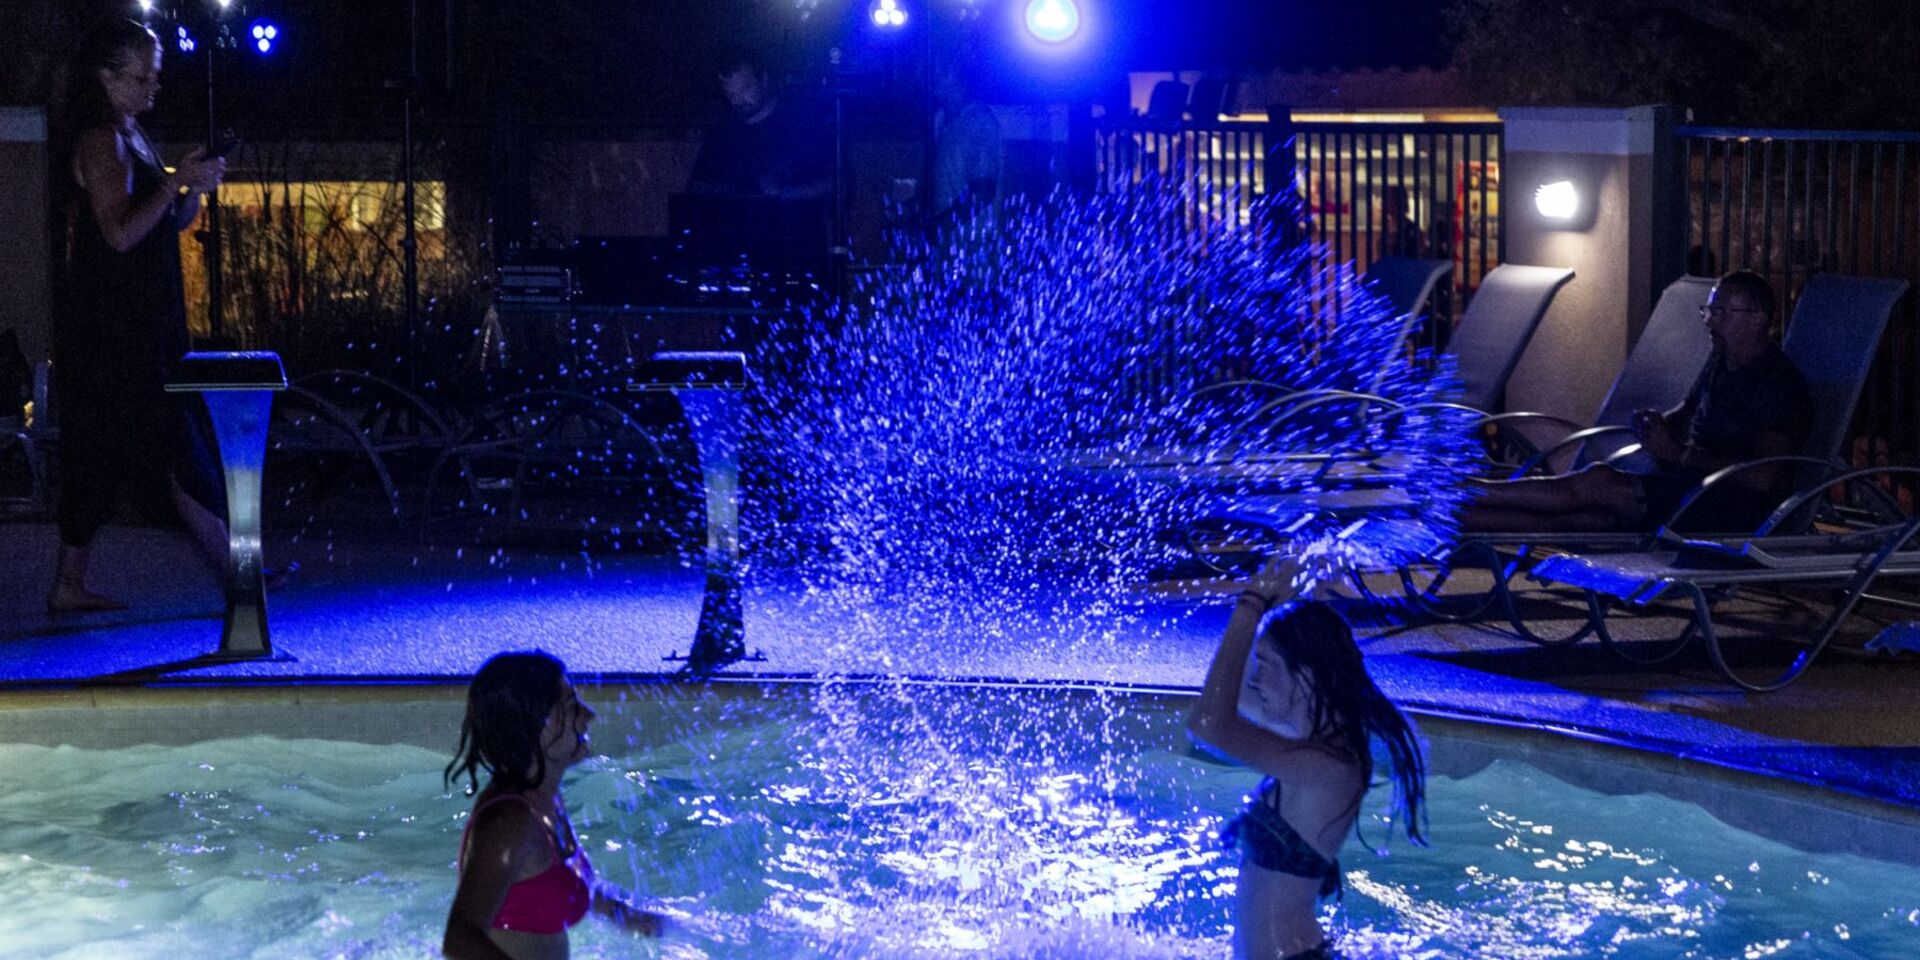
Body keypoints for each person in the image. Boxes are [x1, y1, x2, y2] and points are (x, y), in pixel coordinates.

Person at [46, 19, 235, 613]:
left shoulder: (132, 132)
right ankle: (240, 576)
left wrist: (190, 191)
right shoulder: (100, 139)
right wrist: (175, 181)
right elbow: (120, 233)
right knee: (178, 451)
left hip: (142, 322)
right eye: (141, 75)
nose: (154, 85)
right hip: (116, 329)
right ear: (106, 77)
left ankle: (69, 583)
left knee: (101, 457)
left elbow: (163, 224)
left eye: (156, 73)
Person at [1188, 558, 1429, 960]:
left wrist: (1251, 604)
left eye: (1267, 667)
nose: (1257, 680)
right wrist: (1273, 607)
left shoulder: (1328, 768)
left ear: (1304, 675)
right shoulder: (1309, 740)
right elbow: (1229, 700)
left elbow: (1208, 724)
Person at [1462, 270, 1812, 534]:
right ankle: (1450, 518)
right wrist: (1659, 424)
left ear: (1759, 319)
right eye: (1710, 310)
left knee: (1597, 482)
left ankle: (1460, 493)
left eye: (1723, 312)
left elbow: (1764, 479)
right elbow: (1688, 414)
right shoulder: (1721, 362)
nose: (1710, 321)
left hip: (1732, 507)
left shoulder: (1779, 384)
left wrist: (1677, 454)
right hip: (1688, 488)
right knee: (1586, 518)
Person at [443, 651, 666, 959]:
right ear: (540, 724)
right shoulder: (509, 821)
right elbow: (460, 939)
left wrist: (654, 924)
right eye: (572, 706)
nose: (589, 715)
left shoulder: (544, 801)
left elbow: (563, 886)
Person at [686, 49, 833, 202]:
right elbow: (695, 190)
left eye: (746, 89)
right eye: (731, 94)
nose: (738, 101)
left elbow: (838, 183)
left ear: (763, 79)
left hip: (792, 222)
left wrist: (786, 195)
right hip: (734, 224)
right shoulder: (722, 133)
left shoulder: (800, 122)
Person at [930, 56, 1003, 221]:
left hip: (977, 242)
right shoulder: (940, 119)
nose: (929, 74)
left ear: (956, 69)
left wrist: (939, 224)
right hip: (949, 243)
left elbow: (983, 191)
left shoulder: (979, 121)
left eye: (940, 68)